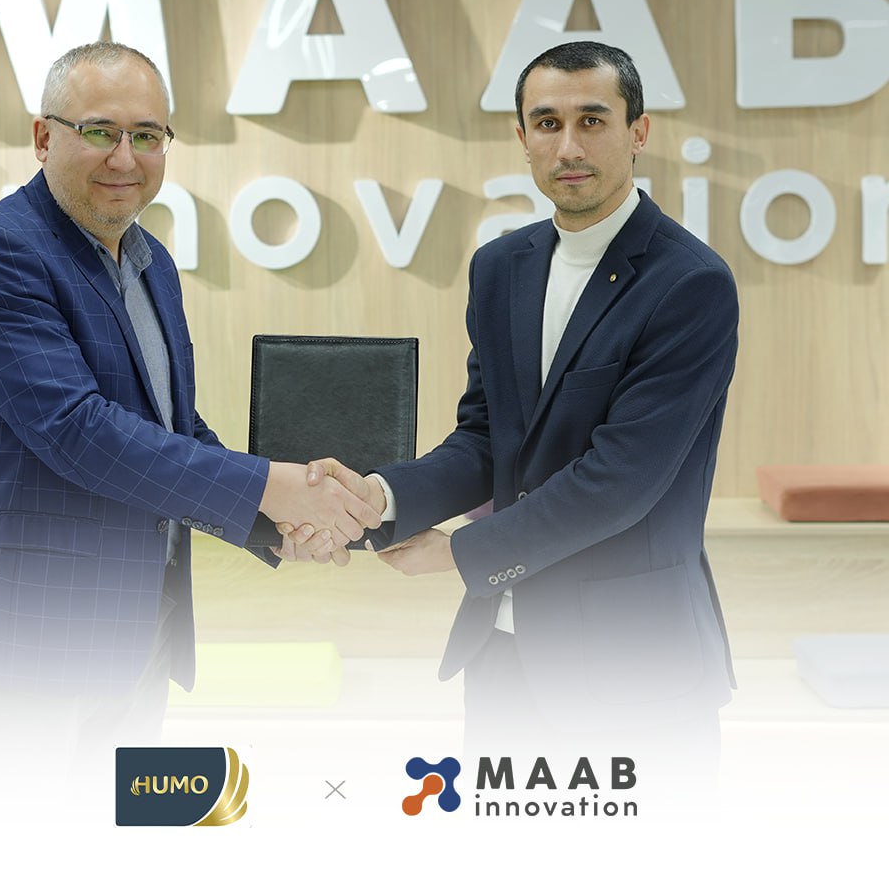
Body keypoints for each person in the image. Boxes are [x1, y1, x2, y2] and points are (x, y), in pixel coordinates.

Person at [0, 41, 379, 811]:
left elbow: (172, 425)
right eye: (100, 131)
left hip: (137, 641)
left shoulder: (150, 261)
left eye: (148, 135)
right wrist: (272, 486)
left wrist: (273, 520)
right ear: (43, 137)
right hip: (20, 650)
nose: (125, 157)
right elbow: (77, 431)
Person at [309, 41, 739, 807]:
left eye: (592, 120)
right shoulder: (501, 267)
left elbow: (620, 482)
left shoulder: (690, 283)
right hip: (504, 656)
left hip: (634, 671)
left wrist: (460, 554)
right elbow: (487, 438)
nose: (568, 146)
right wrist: (383, 499)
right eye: (547, 123)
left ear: (638, 132)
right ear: (522, 138)